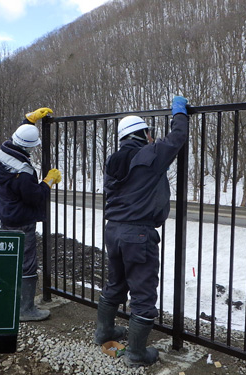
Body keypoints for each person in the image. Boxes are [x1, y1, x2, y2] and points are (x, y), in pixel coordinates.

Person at [94, 96, 189, 367]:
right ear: (143, 134)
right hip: (138, 235)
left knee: (116, 283)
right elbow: (178, 136)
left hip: (113, 230)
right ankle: (136, 354)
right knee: (143, 294)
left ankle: (103, 332)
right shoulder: (151, 153)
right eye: (148, 133)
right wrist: (179, 112)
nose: (151, 137)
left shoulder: (114, 161)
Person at [0, 107, 61, 322]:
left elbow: (19, 140)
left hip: (6, 214)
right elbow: (35, 197)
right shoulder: (24, 171)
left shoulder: (0, 154)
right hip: (22, 219)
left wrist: (28, 121)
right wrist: (48, 182)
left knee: (12, 258)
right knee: (27, 262)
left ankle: (10, 300)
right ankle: (26, 309)